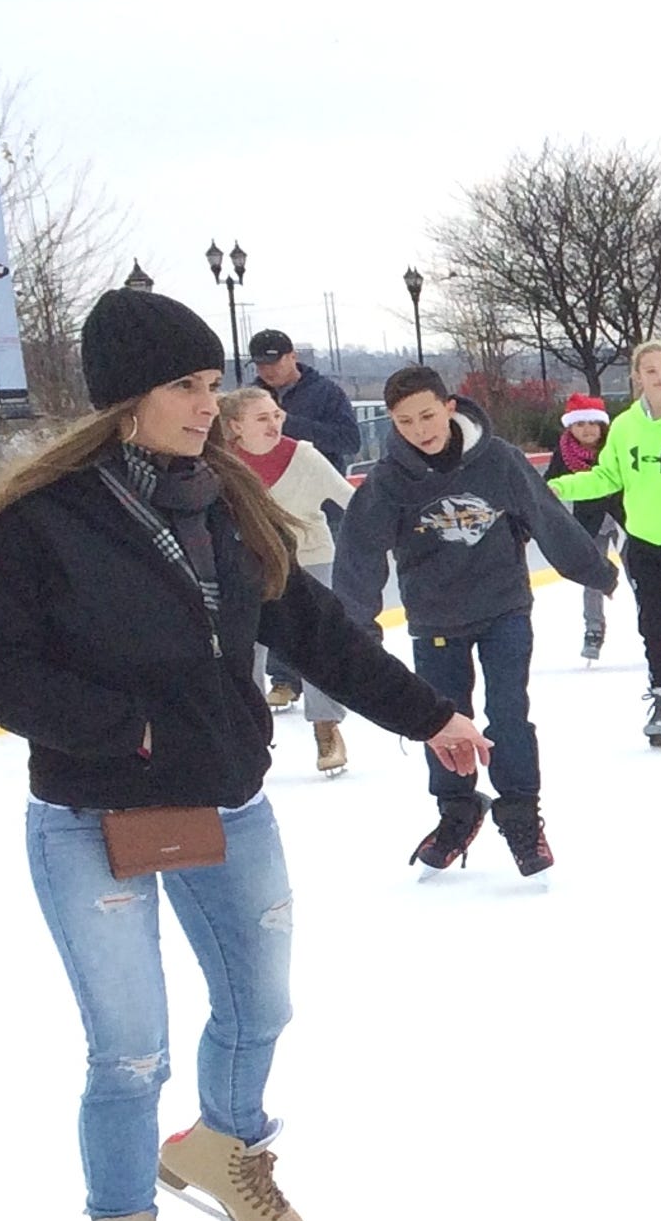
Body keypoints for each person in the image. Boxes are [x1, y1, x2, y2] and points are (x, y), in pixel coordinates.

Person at [0, 287, 488, 1221]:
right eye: (186, 388)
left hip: (227, 802)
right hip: (91, 814)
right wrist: (130, 731)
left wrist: (430, 716)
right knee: (129, 1049)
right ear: (126, 398)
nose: (209, 405)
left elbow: (319, 633)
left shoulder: (226, 500)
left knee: (261, 1004)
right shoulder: (38, 521)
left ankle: (224, 1145)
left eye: (211, 384)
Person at [334, 367, 615, 879]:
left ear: (448, 407)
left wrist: (594, 570)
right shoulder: (389, 482)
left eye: (426, 415)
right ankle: (457, 812)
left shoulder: (498, 461)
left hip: (504, 609)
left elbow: (547, 517)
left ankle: (521, 814)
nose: (420, 429)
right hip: (435, 620)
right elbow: (359, 556)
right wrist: (357, 631)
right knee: (441, 719)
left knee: (508, 714)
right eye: (405, 422)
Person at [547, 340, 661, 748]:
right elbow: (607, 476)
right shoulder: (625, 427)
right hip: (643, 544)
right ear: (637, 377)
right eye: (651, 370)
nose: (660, 377)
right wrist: (560, 487)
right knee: (653, 626)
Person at [215, 388, 359, 774]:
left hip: (309, 559)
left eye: (277, 415)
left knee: (315, 643)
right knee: (244, 649)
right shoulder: (221, 463)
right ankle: (249, 735)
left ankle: (326, 728)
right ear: (235, 426)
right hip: (247, 566)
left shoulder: (305, 457)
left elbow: (353, 502)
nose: (275, 423)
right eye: (262, 418)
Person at [544, 393, 625, 660]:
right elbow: (549, 488)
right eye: (580, 424)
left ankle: (654, 628)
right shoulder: (564, 453)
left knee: (641, 576)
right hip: (589, 524)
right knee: (593, 578)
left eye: (592, 423)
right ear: (570, 426)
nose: (587, 429)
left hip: (626, 519)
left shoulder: (617, 446)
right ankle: (593, 630)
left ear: (602, 425)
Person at [245, 329, 360, 469]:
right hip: (267, 478)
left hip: (318, 478)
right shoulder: (249, 398)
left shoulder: (327, 392)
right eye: (261, 365)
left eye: (274, 363)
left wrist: (288, 422)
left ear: (293, 356)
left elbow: (350, 441)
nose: (268, 370)